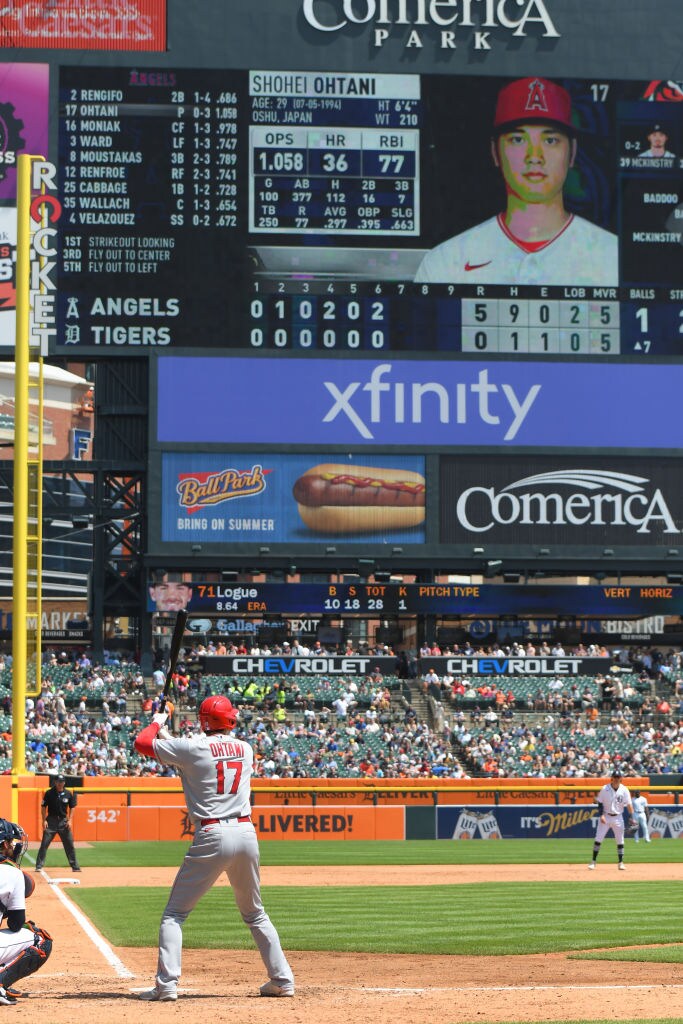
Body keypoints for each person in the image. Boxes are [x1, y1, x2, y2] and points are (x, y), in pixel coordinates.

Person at [133, 695, 294, 1001]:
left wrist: (159, 719)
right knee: (255, 914)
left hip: (212, 832)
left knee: (174, 914)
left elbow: (143, 743)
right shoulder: (245, 749)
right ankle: (282, 979)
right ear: (231, 719)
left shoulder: (193, 746)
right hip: (246, 832)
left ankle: (166, 985)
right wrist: (167, 733)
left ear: (204, 720)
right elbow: (190, 752)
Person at [415, 76, 618, 286]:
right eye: (518, 140)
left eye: (550, 140)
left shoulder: (613, 258)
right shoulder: (446, 261)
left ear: (572, 152)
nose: (535, 156)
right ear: (495, 152)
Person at [0, 818, 53, 1003]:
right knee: (40, 939)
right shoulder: (12, 873)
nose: (15, 846)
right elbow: (15, 924)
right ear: (4, 844)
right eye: (12, 842)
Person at [588, 769, 634, 871]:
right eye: (615, 777)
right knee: (598, 839)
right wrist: (601, 815)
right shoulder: (605, 789)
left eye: (618, 777)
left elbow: (629, 805)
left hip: (618, 817)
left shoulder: (625, 790)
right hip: (606, 816)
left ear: (621, 779)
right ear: (611, 778)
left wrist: (632, 817)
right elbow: (599, 803)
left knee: (620, 840)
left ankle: (621, 863)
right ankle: (593, 862)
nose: (616, 779)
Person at [34, 774, 80, 872]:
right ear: (55, 782)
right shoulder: (49, 793)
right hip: (51, 821)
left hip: (63, 821)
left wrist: (70, 820)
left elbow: (72, 807)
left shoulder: (68, 793)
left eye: (62, 781)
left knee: (69, 844)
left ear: (64, 783)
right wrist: (44, 820)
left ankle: (75, 867)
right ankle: (39, 866)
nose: (60, 783)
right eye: (58, 781)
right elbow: (43, 807)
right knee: (44, 844)